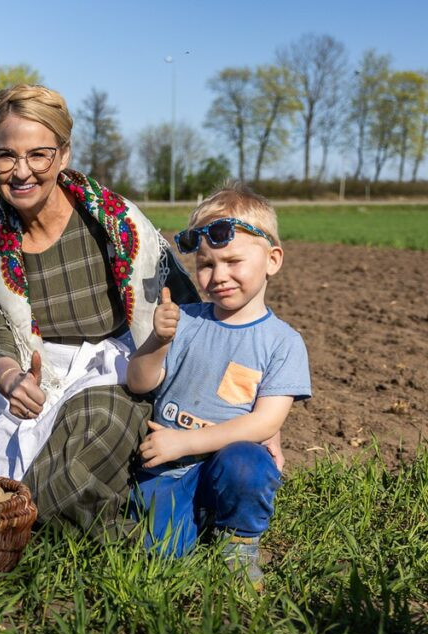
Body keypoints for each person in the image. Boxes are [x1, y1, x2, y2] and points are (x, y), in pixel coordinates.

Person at [0, 84, 199, 535]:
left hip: (117, 370)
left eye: (38, 155)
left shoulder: (114, 223)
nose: (21, 171)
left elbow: (184, 305)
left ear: (63, 155)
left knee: (82, 446)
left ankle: (34, 529)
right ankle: (34, 522)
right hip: (32, 373)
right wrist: (11, 379)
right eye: (5, 156)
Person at [126, 183, 310, 584]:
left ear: (272, 260)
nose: (218, 275)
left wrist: (185, 441)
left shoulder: (283, 342)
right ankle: (202, 516)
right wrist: (157, 342)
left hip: (222, 461)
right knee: (160, 555)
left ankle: (239, 540)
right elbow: (139, 382)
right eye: (206, 264)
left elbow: (265, 422)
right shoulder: (186, 321)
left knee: (248, 464)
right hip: (170, 469)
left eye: (232, 261)